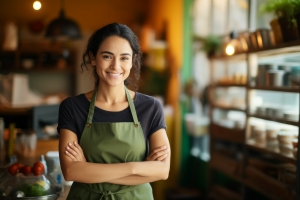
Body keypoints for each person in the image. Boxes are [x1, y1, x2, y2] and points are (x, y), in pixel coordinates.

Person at [57, 22, 171, 200]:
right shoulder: (72, 107)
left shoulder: (150, 107)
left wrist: (88, 169)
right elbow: (71, 171)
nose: (115, 66)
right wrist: (137, 168)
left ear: (132, 61)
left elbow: (163, 170)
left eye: (124, 58)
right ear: (93, 58)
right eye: (107, 56)